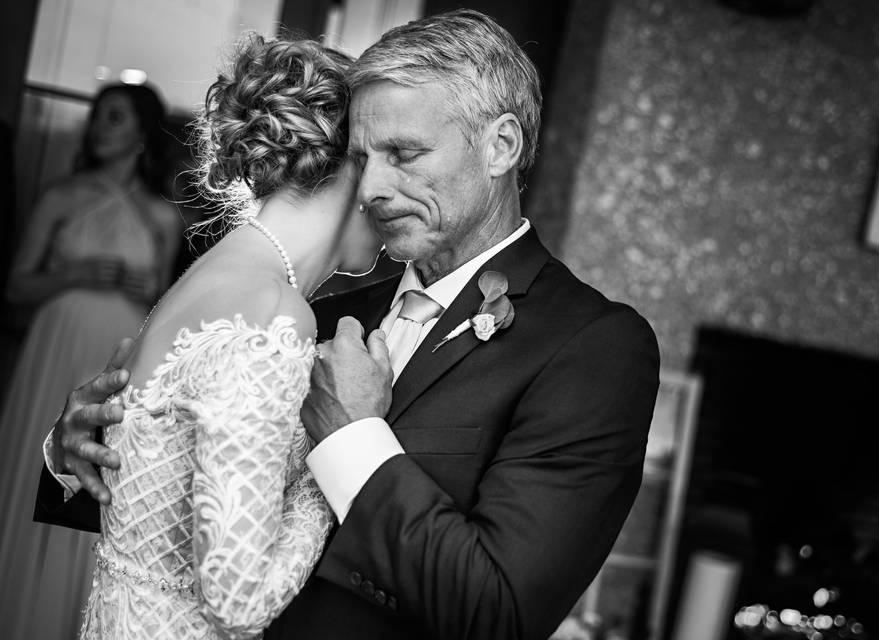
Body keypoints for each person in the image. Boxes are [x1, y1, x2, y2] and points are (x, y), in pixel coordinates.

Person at [38, 10, 661, 640]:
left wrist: (355, 437)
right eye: (361, 157)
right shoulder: (319, 316)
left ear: (501, 146)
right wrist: (85, 455)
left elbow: (497, 611)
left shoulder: (594, 348)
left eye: (405, 153)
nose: (374, 187)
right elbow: (187, 531)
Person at [61, 36, 379, 638]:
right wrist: (334, 451)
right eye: (386, 154)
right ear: (351, 162)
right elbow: (238, 602)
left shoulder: (205, 281)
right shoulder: (273, 313)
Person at [0, 82, 181, 638]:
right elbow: (14, 286)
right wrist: (78, 274)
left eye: (115, 117)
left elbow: (166, 309)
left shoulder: (163, 217)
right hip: (55, 348)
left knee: (94, 480)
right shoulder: (62, 197)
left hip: (115, 357)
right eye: (98, 116)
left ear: (142, 134)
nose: (100, 126)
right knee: (43, 452)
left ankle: (64, 611)